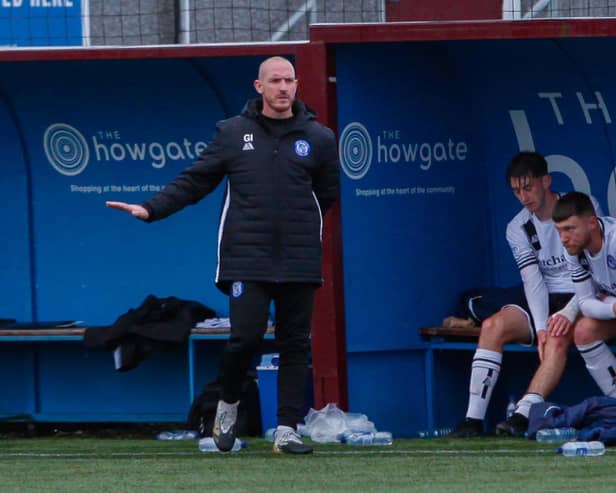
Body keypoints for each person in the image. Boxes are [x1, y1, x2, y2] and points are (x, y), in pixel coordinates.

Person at [106, 56, 340, 454]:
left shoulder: (319, 137)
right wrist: (151, 209)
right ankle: (227, 406)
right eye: (275, 81)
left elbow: (327, 193)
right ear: (259, 86)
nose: (284, 88)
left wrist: (297, 226)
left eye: (290, 80)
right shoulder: (233, 133)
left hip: (299, 259)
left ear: (297, 85)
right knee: (244, 338)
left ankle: (286, 429)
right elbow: (195, 180)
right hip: (245, 258)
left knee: (295, 343)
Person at [451, 151, 601, 438]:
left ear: (546, 181)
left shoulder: (580, 206)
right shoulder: (517, 227)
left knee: (556, 338)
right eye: (516, 190)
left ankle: (521, 414)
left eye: (528, 187)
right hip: (543, 296)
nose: (523, 196)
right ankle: (472, 420)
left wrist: (554, 325)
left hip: (581, 293)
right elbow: (532, 281)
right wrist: (540, 328)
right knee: (493, 325)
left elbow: (595, 271)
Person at [553, 192, 616, 399]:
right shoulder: (573, 250)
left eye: (569, 229)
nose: (563, 238)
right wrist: (612, 308)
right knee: (583, 331)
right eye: (559, 230)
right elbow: (585, 302)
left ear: (591, 222)